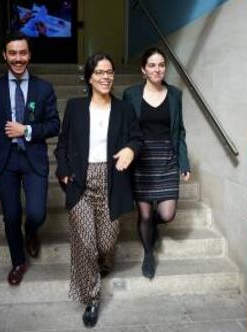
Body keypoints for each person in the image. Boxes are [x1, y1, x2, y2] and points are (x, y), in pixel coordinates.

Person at [54, 53, 142, 328]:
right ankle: (91, 297)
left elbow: (137, 138)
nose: (106, 77)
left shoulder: (124, 109)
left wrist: (130, 148)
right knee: (85, 243)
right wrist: (65, 172)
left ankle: (102, 265)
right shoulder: (75, 107)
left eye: (110, 72)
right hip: (80, 180)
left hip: (112, 179)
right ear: (90, 77)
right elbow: (62, 145)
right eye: (100, 72)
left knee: (105, 243)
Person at [0, 31, 60, 286]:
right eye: (12, 53)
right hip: (5, 160)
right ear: (4, 55)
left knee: (36, 213)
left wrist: (27, 130)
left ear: (29, 55)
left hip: (33, 158)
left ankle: (32, 231)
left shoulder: (44, 88)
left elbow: (54, 125)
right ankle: (18, 262)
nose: (18, 58)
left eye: (22, 53)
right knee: (11, 216)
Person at [123, 46, 191, 279]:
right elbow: (126, 130)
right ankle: (149, 253)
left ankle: (152, 228)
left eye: (161, 65)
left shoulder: (175, 95)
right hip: (141, 160)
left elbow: (179, 131)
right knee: (145, 215)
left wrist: (184, 162)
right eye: (152, 65)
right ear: (143, 69)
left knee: (167, 214)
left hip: (167, 160)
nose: (157, 69)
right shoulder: (131, 94)